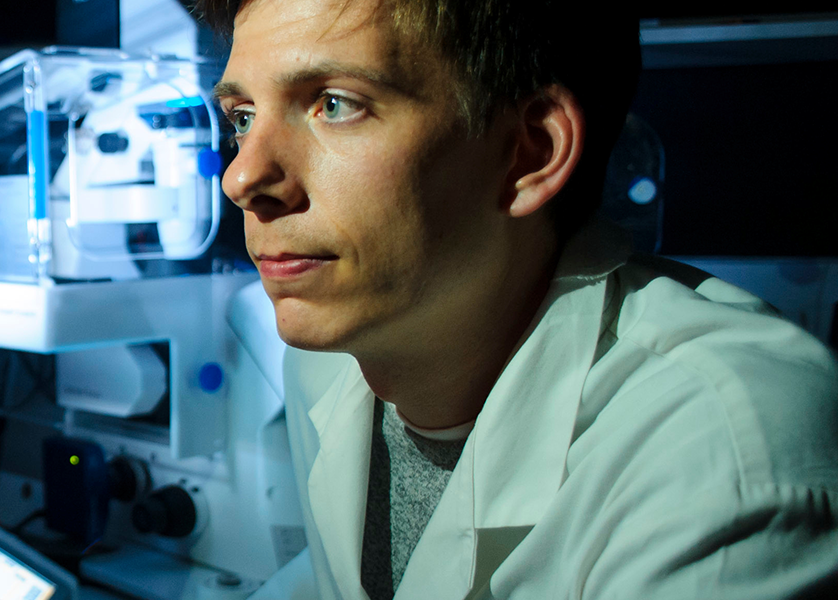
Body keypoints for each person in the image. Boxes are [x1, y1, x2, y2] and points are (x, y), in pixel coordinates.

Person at [194, 0, 838, 597]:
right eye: (244, 118)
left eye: (334, 103)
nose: (242, 176)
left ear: (531, 152)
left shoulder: (724, 447)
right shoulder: (326, 361)